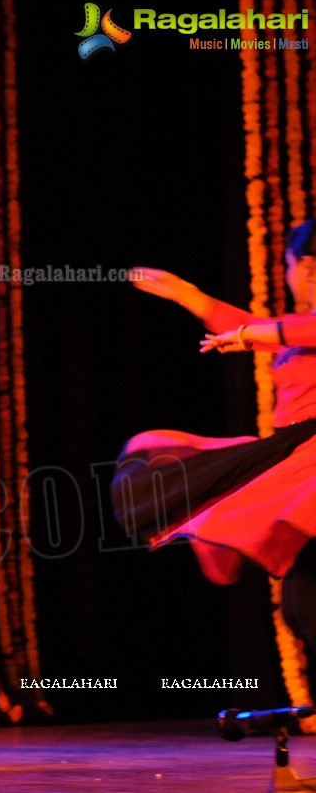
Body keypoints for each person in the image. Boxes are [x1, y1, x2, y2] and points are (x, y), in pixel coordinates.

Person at [112, 220, 316, 655]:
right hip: (292, 451)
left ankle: (220, 528)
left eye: (289, 264)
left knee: (307, 592)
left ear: (307, 267)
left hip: (309, 460)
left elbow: (273, 331)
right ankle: (219, 531)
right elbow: (268, 329)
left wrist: (248, 335)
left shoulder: (301, 331)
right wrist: (188, 295)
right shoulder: (296, 331)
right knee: (304, 596)